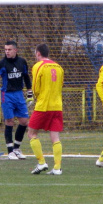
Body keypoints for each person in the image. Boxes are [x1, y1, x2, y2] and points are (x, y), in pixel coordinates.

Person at [0, 41, 33, 160]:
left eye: (9, 49)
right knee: (9, 121)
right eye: (5, 49)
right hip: (6, 94)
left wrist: (29, 92)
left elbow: (26, 77)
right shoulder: (1, 63)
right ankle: (10, 151)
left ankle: (17, 149)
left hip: (18, 94)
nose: (7, 51)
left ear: (15, 50)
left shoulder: (22, 62)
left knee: (24, 121)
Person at [27, 43, 64, 175]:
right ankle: (57, 167)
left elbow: (35, 87)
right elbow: (60, 86)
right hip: (57, 106)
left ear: (38, 54)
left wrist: (37, 98)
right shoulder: (59, 67)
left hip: (43, 106)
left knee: (32, 133)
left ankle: (42, 162)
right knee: (55, 137)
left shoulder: (38, 66)